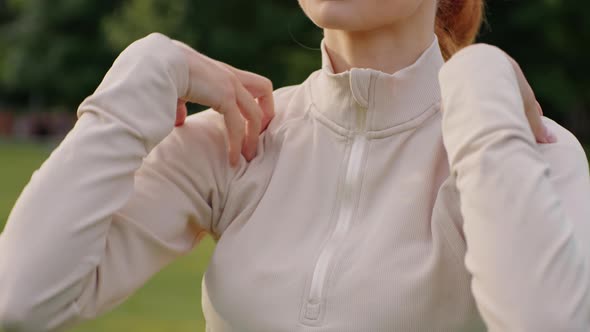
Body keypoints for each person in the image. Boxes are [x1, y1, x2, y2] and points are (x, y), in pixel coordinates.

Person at [1, 0, 589, 331]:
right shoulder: (238, 139)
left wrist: (476, 79)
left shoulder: (525, 149)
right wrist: (145, 70)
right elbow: (20, 298)